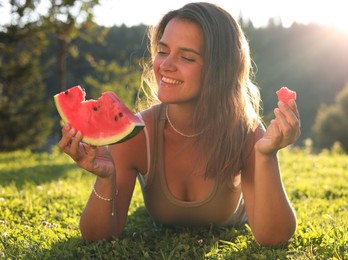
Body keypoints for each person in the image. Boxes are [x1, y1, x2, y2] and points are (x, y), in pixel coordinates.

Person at [58, 2, 300, 246]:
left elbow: (274, 238)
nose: (165, 65)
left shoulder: (245, 133)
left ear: (220, 69)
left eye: (186, 57)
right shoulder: (138, 135)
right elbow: (97, 237)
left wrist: (267, 155)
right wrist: (105, 177)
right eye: (162, 51)